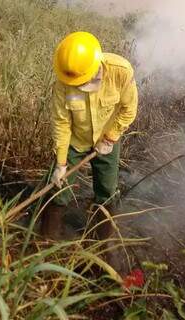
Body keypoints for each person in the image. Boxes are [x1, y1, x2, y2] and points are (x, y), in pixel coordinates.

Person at [42, 31, 138, 239]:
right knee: (58, 192)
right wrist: (61, 164)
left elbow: (129, 109)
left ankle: (103, 241)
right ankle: (46, 240)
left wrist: (111, 137)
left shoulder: (120, 71)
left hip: (106, 141)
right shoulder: (64, 81)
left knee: (106, 192)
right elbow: (61, 122)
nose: (77, 84)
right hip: (75, 141)